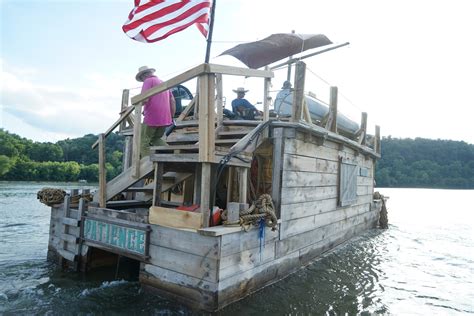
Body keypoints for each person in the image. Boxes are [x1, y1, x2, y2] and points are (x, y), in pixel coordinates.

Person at [135, 66, 176, 157]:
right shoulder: (163, 83)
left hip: (152, 116)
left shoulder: (148, 81)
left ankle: (148, 164)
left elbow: (144, 99)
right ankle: (172, 154)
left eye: (142, 78)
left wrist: (132, 106)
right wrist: (171, 116)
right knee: (156, 139)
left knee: (143, 142)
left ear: (144, 75)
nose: (142, 80)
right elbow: (172, 101)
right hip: (165, 117)